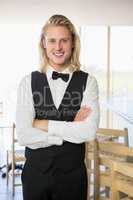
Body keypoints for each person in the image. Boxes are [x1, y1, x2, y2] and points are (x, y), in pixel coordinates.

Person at [16, 14, 100, 200]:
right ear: (44, 43)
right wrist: (67, 131)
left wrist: (42, 123)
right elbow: (23, 134)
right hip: (35, 176)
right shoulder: (27, 82)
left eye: (64, 40)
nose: (58, 47)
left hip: (73, 178)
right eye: (52, 40)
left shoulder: (89, 82)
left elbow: (88, 132)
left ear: (72, 44)